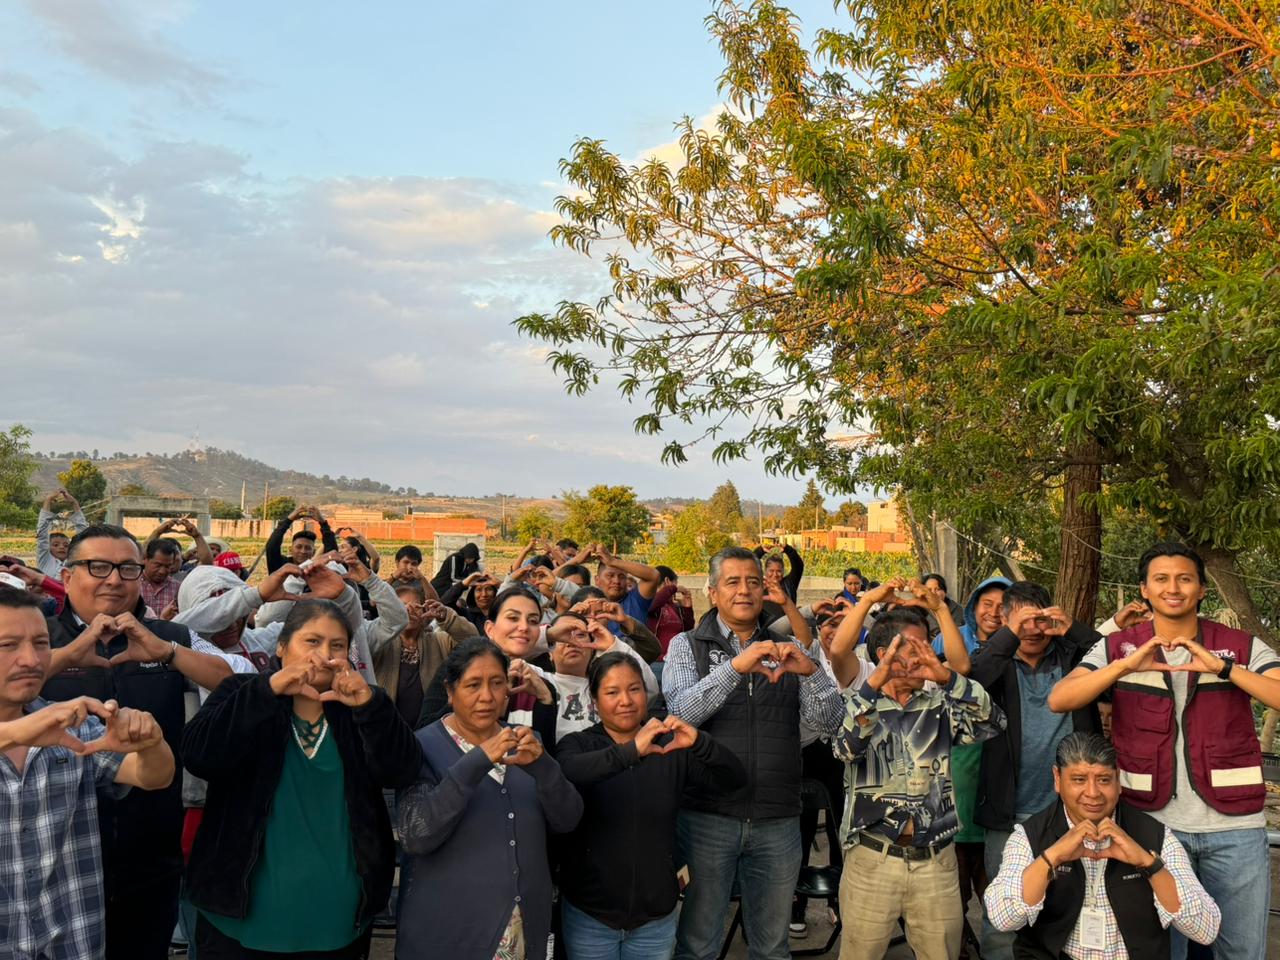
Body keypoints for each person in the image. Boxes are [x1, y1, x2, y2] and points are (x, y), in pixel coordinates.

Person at [1049, 542, 1280, 960]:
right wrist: (1123, 666)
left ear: (1202, 589)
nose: (1173, 588)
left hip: (1235, 830)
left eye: (1184, 578)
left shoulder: (1239, 646)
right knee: (1157, 949)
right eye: (1161, 579)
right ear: (1144, 589)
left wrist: (1225, 669)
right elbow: (1060, 697)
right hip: (1150, 826)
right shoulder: (1117, 646)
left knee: (1241, 950)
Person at [182, 599, 423, 959]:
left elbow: (402, 770)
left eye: (337, 645)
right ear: (281, 647)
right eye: (311, 641)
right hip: (239, 915)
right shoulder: (240, 692)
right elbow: (199, 755)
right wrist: (269, 689)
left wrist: (370, 708)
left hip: (337, 917)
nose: (324, 654)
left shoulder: (362, 706)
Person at [41, 523, 236, 960]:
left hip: (150, 856)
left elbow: (231, 681)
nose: (113, 579)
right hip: (55, 863)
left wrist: (167, 652)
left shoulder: (171, 637)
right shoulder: (38, 637)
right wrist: (70, 655)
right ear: (68, 576)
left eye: (127, 568)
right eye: (98, 567)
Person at [663, 546, 844, 960]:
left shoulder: (789, 645)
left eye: (753, 582)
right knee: (698, 942)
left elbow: (833, 722)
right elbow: (680, 713)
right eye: (732, 581)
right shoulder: (686, 646)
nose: (744, 590)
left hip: (778, 818)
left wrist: (812, 674)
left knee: (771, 945)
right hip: (708, 816)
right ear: (711, 591)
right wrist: (735, 667)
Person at [0, 584, 176, 960]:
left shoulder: (73, 726)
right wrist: (16, 732)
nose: (30, 659)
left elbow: (154, 776)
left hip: (69, 939)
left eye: (41, 643)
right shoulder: (48, 724)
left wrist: (150, 742)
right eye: (8, 645)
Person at [833, 605, 1004, 960]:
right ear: (885, 654)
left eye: (927, 646)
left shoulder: (940, 705)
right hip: (872, 860)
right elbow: (846, 749)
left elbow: (992, 722)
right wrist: (873, 686)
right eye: (914, 648)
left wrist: (947, 676)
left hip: (936, 863)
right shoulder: (859, 702)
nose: (924, 656)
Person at [396, 637, 583, 959]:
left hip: (521, 928)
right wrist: (477, 761)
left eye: (497, 683)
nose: (486, 696)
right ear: (450, 691)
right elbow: (416, 835)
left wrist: (544, 767)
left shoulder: (527, 742)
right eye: (472, 685)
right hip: (448, 934)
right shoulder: (422, 746)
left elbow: (568, 819)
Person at [556, 652, 746, 959]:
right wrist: (631, 751)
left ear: (646, 694)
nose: (626, 701)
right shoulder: (578, 745)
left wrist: (699, 741)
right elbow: (567, 773)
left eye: (634, 689)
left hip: (654, 919)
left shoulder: (670, 748)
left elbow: (734, 779)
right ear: (594, 700)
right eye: (612, 692)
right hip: (590, 915)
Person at [985, 732, 1220, 959]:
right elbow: (1003, 919)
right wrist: (1051, 858)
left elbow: (1206, 929)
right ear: (1057, 779)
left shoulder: (1155, 835)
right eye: (1078, 780)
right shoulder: (1030, 835)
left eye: (1104, 780)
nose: (1093, 793)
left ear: (1118, 781)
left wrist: (1149, 864)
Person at [968, 580, 1102, 960]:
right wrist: (1008, 635)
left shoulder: (1074, 657)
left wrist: (1071, 628)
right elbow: (972, 680)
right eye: (1021, 621)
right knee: (1004, 913)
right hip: (1008, 810)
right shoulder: (994, 662)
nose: (1032, 630)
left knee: (1077, 905)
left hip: (1073, 810)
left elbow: (1114, 664)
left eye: (1038, 619)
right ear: (1006, 623)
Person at [375, 585, 477, 729]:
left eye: (416, 606)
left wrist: (445, 616)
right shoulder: (381, 644)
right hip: (387, 731)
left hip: (431, 731)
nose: (409, 610)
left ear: (424, 611)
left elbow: (472, 640)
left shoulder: (439, 641)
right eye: (402, 606)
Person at [583, 543, 662, 638]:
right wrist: (577, 560)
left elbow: (654, 576)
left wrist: (612, 561)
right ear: (597, 580)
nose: (616, 581)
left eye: (621, 577)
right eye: (610, 576)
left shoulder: (636, 600)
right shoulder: (587, 603)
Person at [264, 505, 338, 573]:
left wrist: (323, 523)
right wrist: (288, 520)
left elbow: (332, 551)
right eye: (298, 547)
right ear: (290, 549)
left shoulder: (316, 570)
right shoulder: (281, 565)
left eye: (308, 548)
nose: (303, 551)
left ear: (313, 552)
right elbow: (271, 547)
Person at [37, 487, 89, 578]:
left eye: (66, 545)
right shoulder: (45, 560)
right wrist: (48, 500)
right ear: (48, 547)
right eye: (55, 545)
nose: (61, 547)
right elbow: (42, 533)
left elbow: (83, 534)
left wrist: (74, 503)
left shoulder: (73, 562)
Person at [646, 565, 695, 659]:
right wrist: (673, 588)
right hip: (657, 660)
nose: (676, 587)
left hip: (677, 660)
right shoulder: (649, 600)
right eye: (675, 583)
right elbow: (652, 607)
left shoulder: (676, 606)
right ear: (667, 581)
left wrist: (687, 608)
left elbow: (688, 631)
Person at [139, 538, 183, 617]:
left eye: (167, 566)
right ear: (145, 559)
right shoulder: (133, 584)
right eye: (157, 565)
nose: (162, 571)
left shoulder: (178, 588)